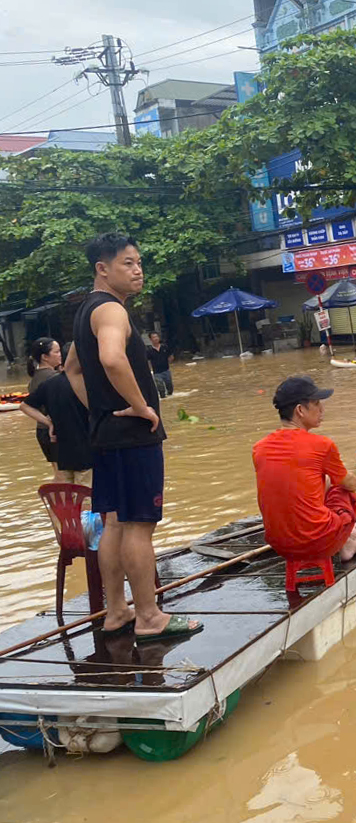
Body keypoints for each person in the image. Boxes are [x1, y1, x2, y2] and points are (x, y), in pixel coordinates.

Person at [63, 233, 200, 643]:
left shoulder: (86, 310)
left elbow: (72, 370)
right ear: (102, 269)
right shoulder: (111, 311)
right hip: (133, 435)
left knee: (112, 524)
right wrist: (141, 407)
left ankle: (116, 611)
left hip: (106, 434)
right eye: (127, 262)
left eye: (139, 261)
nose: (137, 269)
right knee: (139, 527)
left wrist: (100, 408)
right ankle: (150, 617)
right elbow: (110, 358)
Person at [253, 375, 356, 565]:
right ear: (300, 410)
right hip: (317, 542)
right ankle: (344, 542)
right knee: (344, 490)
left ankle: (346, 541)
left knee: (314, 483)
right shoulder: (322, 445)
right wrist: (350, 477)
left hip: (279, 544)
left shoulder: (259, 447)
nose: (322, 409)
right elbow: (352, 484)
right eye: (316, 403)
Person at [20, 370, 92, 483]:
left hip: (63, 450)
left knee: (68, 493)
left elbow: (25, 406)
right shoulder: (87, 381)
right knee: (86, 493)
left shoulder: (49, 384)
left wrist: (48, 423)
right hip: (88, 449)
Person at [26, 337, 62, 478]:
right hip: (54, 432)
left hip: (42, 432)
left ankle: (54, 499)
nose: (60, 355)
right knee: (63, 475)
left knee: (58, 473)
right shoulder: (54, 378)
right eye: (57, 352)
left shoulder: (35, 378)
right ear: (45, 357)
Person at [146, 331, 174, 398]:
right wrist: (149, 371)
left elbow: (171, 356)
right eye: (154, 337)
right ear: (150, 339)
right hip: (157, 372)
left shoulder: (164, 347)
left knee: (170, 387)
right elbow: (148, 361)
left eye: (156, 337)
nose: (156, 338)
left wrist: (168, 363)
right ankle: (163, 398)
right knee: (161, 389)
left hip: (166, 370)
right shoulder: (149, 350)